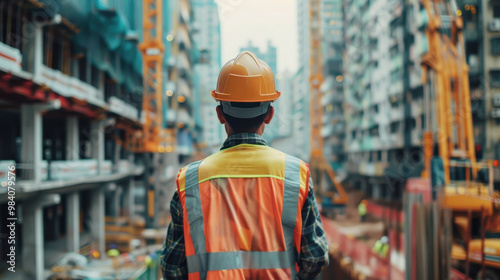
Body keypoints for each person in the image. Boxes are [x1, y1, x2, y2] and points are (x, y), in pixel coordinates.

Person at [160, 51, 329, 279]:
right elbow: (315, 257)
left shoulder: (190, 180)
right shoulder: (294, 175)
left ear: (220, 115)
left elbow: (172, 268)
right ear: (269, 115)